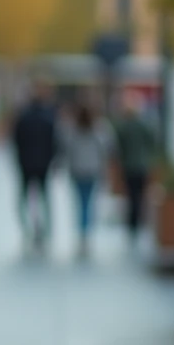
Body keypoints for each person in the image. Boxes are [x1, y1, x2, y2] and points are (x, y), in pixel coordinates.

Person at [57, 101, 113, 256]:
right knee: (89, 204)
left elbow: (66, 150)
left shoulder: (72, 130)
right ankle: (86, 234)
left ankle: (83, 234)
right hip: (92, 171)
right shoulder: (100, 128)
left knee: (80, 203)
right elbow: (108, 148)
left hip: (77, 171)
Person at [11, 80, 59, 249]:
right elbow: (54, 143)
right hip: (43, 164)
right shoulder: (48, 119)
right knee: (44, 198)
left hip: (26, 164)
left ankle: (28, 229)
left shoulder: (22, 118)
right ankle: (45, 230)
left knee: (24, 198)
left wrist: (19, 159)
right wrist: (54, 160)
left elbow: (15, 141)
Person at [113, 90, 157, 242]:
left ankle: (133, 223)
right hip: (142, 165)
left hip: (128, 166)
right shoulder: (143, 125)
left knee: (131, 195)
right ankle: (139, 221)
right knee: (140, 194)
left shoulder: (123, 127)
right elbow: (152, 141)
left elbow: (118, 147)